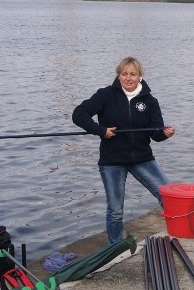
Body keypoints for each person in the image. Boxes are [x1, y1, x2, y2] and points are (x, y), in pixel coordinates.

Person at [72, 57, 176, 244]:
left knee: (167, 196)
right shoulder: (105, 95)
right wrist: (101, 131)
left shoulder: (150, 101)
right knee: (115, 209)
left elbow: (155, 133)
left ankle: (179, 231)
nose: (128, 78)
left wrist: (165, 134)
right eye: (124, 74)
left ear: (140, 77)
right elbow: (78, 114)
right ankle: (115, 247)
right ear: (118, 76)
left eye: (132, 74)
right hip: (113, 161)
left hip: (142, 159)